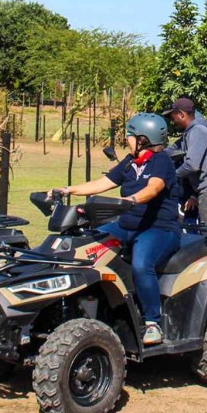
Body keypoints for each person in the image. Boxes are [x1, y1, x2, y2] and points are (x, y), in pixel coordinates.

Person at [59, 112, 183, 345]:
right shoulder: (129, 162)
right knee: (85, 246)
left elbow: (154, 187)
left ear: (143, 139)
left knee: (141, 263)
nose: (127, 139)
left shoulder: (162, 161)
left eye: (130, 135)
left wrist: (132, 200)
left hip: (159, 228)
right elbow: (103, 183)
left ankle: (152, 322)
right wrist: (67, 190)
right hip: (125, 225)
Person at [163, 96, 207, 230]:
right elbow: (171, 150)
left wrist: (170, 175)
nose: (173, 122)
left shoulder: (198, 131)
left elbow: (192, 165)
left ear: (181, 114)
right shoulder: (188, 134)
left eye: (173, 117)